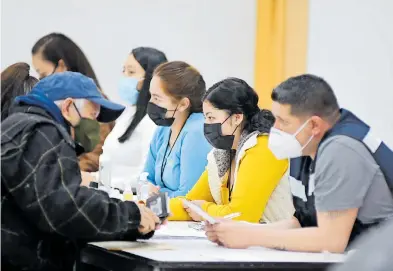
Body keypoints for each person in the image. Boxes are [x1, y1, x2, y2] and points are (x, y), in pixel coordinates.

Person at [205, 74, 393, 252]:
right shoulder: (303, 147)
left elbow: (331, 240)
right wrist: (240, 229)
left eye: (283, 121)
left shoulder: (342, 149)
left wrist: (251, 236)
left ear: (314, 125)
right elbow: (300, 222)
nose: (274, 128)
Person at [1, 72, 160, 271]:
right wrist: (130, 216)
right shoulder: (42, 132)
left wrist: (126, 222)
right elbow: (62, 208)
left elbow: (58, 198)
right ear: (68, 107)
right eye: (92, 116)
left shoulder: (20, 126)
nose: (94, 126)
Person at [169, 78, 294, 223]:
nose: (206, 124)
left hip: (278, 241)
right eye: (205, 118)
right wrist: (148, 210)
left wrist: (204, 210)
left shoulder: (264, 146)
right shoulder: (222, 154)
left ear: (236, 118)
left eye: (211, 117)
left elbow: (241, 216)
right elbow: (191, 204)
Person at [85, 47, 167, 189]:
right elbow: (111, 165)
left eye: (131, 72)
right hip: (110, 193)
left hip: (130, 198)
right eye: (124, 70)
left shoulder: (153, 121)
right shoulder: (129, 114)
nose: (124, 77)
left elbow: (147, 177)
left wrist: (97, 181)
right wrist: (93, 178)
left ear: (151, 78)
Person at [31, 32, 113, 172]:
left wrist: (56, 175)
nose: (41, 81)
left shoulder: (92, 103)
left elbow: (94, 157)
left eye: (43, 75)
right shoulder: (54, 102)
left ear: (62, 66)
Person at [144, 61, 212, 197]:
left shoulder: (197, 132)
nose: (151, 103)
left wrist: (156, 193)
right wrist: (149, 188)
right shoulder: (163, 129)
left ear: (183, 104)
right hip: (167, 211)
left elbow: (188, 195)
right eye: (151, 96)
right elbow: (145, 178)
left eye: (157, 98)